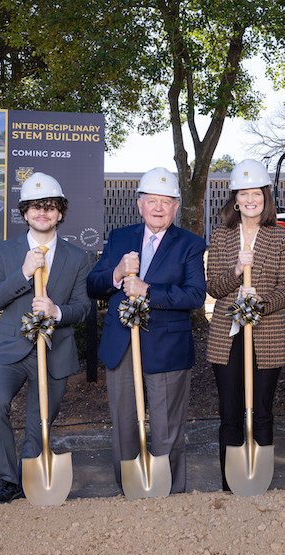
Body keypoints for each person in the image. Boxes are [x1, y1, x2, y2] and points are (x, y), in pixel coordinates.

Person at [87, 167, 206, 495]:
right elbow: (93, 285)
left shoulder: (191, 244)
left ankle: (170, 491)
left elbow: (195, 294)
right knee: (125, 424)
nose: (158, 208)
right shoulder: (119, 237)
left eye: (165, 202)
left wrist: (147, 290)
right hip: (122, 346)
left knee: (168, 428)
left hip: (167, 349)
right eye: (151, 201)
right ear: (139, 205)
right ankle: (129, 489)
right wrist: (116, 273)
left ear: (175, 207)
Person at [0, 172, 93, 504]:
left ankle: (29, 473)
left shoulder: (77, 257)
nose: (42, 213)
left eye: (50, 207)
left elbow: (83, 308)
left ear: (60, 213)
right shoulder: (4, 251)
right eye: (35, 207)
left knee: (39, 420)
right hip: (9, 349)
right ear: (24, 213)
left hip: (54, 350)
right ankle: (5, 479)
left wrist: (57, 311)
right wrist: (24, 273)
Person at [205, 159, 285, 491]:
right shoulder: (221, 235)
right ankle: (230, 483)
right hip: (226, 339)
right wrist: (235, 271)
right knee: (230, 412)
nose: (249, 200)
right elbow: (213, 287)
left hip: (267, 337)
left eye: (255, 193)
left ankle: (258, 480)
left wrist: (259, 303)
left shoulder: (281, 236)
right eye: (243, 194)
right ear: (234, 199)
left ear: (266, 197)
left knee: (261, 412)